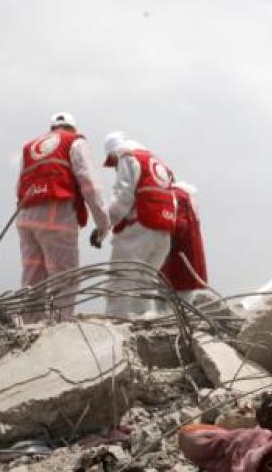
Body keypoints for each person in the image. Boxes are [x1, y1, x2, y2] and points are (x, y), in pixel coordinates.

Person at [15, 112, 109, 321]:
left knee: (33, 279)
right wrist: (103, 223)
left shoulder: (30, 147)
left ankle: (30, 327)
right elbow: (89, 183)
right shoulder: (74, 142)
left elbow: (19, 185)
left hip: (25, 217)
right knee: (64, 277)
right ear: (73, 128)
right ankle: (59, 326)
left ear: (51, 128)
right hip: (56, 217)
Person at [98, 132, 177, 318]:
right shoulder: (156, 163)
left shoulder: (127, 157)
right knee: (145, 283)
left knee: (121, 280)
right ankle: (144, 324)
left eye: (112, 161)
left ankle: (115, 327)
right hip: (164, 233)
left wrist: (104, 225)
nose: (115, 166)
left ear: (114, 152)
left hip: (139, 230)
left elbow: (124, 195)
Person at [160, 181, 209, 306]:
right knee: (184, 302)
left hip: (176, 263)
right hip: (189, 261)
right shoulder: (187, 197)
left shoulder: (175, 197)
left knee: (167, 307)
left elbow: (179, 226)